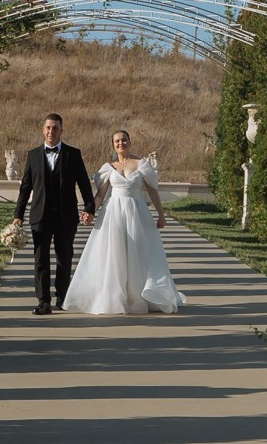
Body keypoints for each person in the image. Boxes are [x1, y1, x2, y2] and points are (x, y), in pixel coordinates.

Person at [60, 129, 184, 315]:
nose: (121, 143)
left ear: (129, 142)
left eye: (124, 140)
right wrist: (90, 211)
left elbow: (152, 191)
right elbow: (101, 195)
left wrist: (161, 215)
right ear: (113, 144)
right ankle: (115, 297)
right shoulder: (109, 167)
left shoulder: (141, 164)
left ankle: (138, 296)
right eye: (117, 141)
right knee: (115, 253)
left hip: (137, 213)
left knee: (138, 253)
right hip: (113, 213)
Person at [15, 113, 93, 315]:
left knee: (64, 258)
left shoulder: (73, 155)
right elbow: (25, 188)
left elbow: (84, 183)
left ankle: (62, 297)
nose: (51, 131)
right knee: (41, 259)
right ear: (43, 129)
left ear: (61, 131)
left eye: (55, 128)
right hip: (40, 215)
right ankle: (43, 301)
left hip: (65, 216)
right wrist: (18, 215)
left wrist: (89, 207)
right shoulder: (32, 156)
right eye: (48, 128)